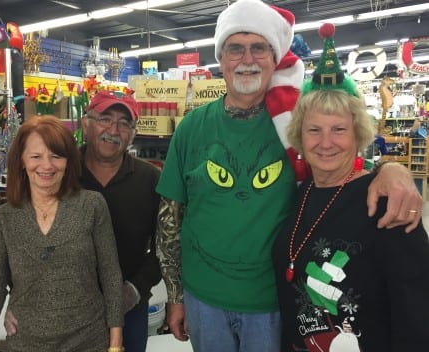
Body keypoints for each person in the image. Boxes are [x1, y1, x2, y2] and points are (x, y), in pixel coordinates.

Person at [155, 0, 423, 351]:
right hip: (203, 297)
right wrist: (174, 296)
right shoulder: (192, 127)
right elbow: (169, 217)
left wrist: (390, 170)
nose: (247, 59)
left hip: (273, 302)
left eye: (258, 49)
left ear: (274, 58)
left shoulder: (291, 123)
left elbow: (339, 164)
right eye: (235, 48)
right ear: (220, 59)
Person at [272, 23, 429, 351]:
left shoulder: (386, 203)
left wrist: (392, 169)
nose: (326, 142)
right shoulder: (301, 192)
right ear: (299, 137)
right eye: (314, 129)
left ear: (358, 135)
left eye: (339, 129)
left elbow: (417, 313)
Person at [4, 92, 162, 352]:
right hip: (58, 311)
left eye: (124, 123)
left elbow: (165, 247)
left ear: (133, 133)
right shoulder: (57, 170)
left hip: (127, 309)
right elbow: (19, 238)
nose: (113, 130)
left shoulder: (150, 180)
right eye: (104, 119)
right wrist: (17, 296)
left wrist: (136, 288)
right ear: (86, 124)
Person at [0, 115, 124, 352]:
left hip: (89, 342)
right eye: (36, 156)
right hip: (26, 343)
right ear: (21, 160)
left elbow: (111, 276)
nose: (47, 166)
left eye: (56, 156)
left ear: (68, 161)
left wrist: (115, 344)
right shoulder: (3, 218)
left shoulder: (91, 205)